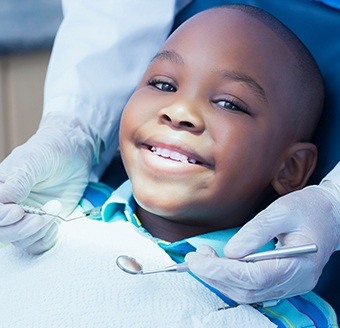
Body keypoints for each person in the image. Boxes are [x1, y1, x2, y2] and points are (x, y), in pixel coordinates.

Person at [2, 5, 337, 327]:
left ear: (291, 168)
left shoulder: (280, 303)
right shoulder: (47, 215)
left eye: (229, 104)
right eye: (163, 85)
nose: (179, 112)